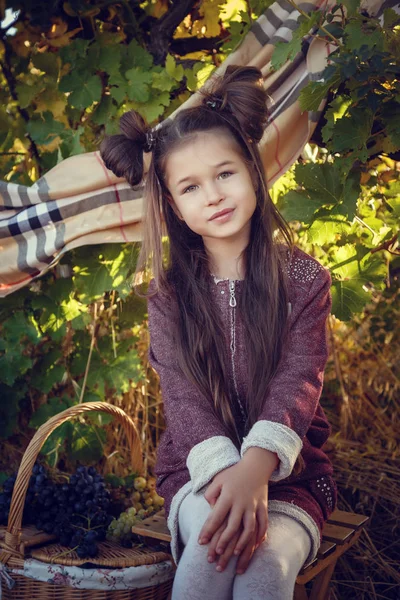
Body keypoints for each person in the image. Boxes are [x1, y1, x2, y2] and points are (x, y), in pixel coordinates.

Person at [100, 65, 337, 600]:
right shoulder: (167, 296)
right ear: (175, 208)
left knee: (264, 569)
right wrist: (226, 476)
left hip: (289, 479)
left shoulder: (304, 281)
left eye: (225, 173)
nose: (213, 194)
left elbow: (299, 379)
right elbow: (182, 397)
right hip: (197, 472)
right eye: (190, 186)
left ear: (253, 171)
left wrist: (256, 470)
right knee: (211, 555)